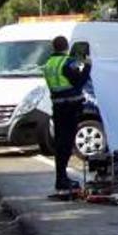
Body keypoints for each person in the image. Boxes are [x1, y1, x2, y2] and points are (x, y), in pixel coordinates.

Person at [43, 36, 91, 197]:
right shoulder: (67, 62)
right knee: (66, 144)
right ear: (66, 47)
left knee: (60, 143)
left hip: (57, 107)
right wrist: (88, 66)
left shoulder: (49, 64)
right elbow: (79, 81)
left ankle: (60, 177)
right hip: (70, 108)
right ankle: (62, 179)